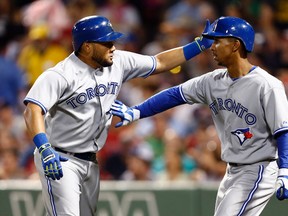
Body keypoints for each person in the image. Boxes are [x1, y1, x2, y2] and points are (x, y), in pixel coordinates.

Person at [22, 15, 213, 216]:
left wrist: (198, 46)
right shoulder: (60, 75)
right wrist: (44, 148)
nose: (113, 47)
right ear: (87, 47)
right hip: (59, 158)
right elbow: (33, 109)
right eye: (107, 43)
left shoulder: (118, 61)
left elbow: (159, 62)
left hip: (91, 161)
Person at [110, 16, 288, 216]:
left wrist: (285, 170)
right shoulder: (213, 81)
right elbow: (174, 94)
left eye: (218, 40)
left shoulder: (267, 84)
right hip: (232, 171)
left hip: (259, 167)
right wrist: (137, 111)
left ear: (236, 45)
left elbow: (282, 130)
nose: (212, 46)